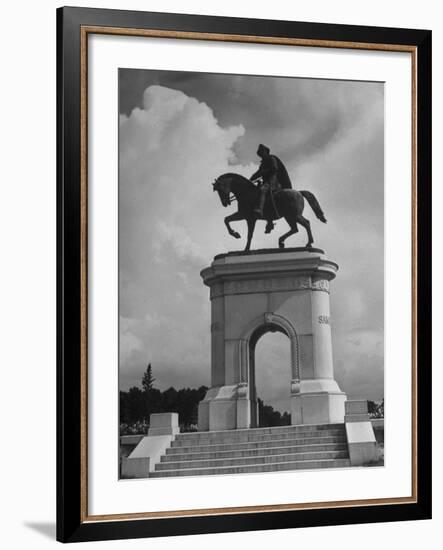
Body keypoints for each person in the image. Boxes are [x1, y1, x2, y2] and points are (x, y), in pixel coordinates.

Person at [250, 144, 292, 233]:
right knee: (256, 192)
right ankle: (269, 220)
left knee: (262, 190)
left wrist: (264, 172)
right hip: (266, 182)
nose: (261, 155)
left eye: (261, 153)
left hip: (274, 182)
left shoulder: (271, 158)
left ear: (266, 152)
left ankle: (259, 210)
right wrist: (250, 180)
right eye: (260, 153)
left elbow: (274, 168)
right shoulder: (263, 163)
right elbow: (258, 173)